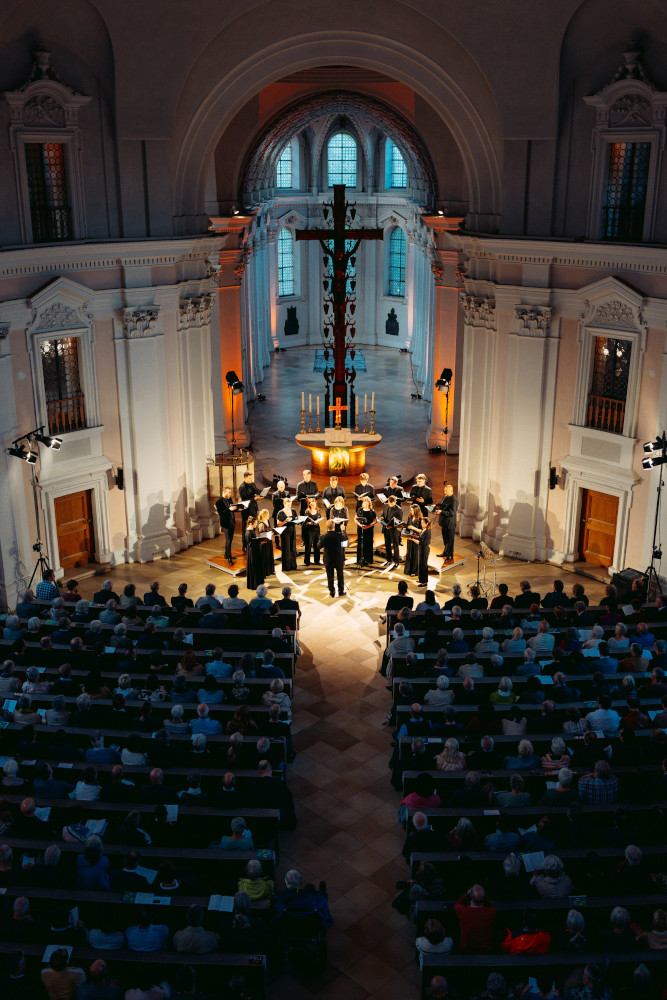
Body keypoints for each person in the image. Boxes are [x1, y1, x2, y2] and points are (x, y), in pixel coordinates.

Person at [454, 884, 496, 953]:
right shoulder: (491, 912)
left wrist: (466, 894)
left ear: (470, 896)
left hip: (466, 949)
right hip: (486, 949)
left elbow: (457, 904)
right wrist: (482, 895)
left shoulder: (462, 911)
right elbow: (491, 906)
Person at [318, 519, 345, 597]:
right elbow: (345, 539)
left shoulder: (323, 537)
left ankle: (332, 592)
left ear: (326, 527)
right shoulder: (339, 535)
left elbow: (319, 546)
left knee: (330, 576)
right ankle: (341, 591)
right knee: (340, 576)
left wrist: (319, 541)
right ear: (334, 527)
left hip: (328, 559)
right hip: (338, 559)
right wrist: (343, 530)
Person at [215, 486, 239, 566]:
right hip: (225, 523)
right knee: (228, 540)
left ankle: (226, 554)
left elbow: (232, 508)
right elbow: (221, 513)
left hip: (231, 522)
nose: (230, 494)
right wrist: (229, 509)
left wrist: (238, 509)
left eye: (230, 492)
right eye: (229, 492)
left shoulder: (229, 499)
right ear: (224, 492)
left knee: (230, 539)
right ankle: (229, 557)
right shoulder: (219, 502)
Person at [436, 482, 458, 561]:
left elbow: (452, 513)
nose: (444, 492)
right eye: (444, 491)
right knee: (445, 539)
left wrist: (441, 512)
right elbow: (443, 506)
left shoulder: (454, 500)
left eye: (446, 491)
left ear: (451, 491)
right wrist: (436, 507)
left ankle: (450, 556)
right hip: (444, 522)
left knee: (450, 541)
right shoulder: (445, 498)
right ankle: (445, 552)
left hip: (450, 524)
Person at [239, 470, 260, 548]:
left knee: (253, 525)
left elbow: (255, 493)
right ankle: (245, 545)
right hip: (246, 510)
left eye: (251, 478)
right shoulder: (242, 487)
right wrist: (254, 498)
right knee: (246, 527)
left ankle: (252, 542)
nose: (251, 480)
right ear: (245, 477)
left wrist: (258, 496)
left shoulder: (252, 484)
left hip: (253, 508)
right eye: (249, 478)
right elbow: (245, 499)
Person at [381, 493, 403, 568]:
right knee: (387, 545)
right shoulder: (385, 505)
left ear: (395, 502)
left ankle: (396, 561)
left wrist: (391, 526)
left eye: (392, 503)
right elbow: (383, 514)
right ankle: (388, 560)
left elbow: (399, 521)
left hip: (394, 530)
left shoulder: (399, 509)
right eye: (389, 503)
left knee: (395, 546)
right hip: (386, 528)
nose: (390, 505)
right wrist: (381, 517)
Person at [355, 494, 377, 566]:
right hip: (361, 529)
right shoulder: (360, 510)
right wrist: (360, 525)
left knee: (368, 544)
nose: (365, 504)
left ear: (369, 504)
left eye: (367, 503)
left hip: (369, 530)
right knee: (361, 544)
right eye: (364, 503)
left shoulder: (372, 511)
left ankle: (368, 559)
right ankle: (360, 559)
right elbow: (355, 519)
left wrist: (369, 526)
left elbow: (375, 521)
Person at [276, 497, 298, 571]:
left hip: (292, 531)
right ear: (284, 504)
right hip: (285, 532)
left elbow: (296, 518)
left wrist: (298, 520)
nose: (289, 506)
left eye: (290, 505)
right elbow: (278, 524)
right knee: (286, 549)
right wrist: (285, 521)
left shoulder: (293, 510)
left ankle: (293, 565)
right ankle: (286, 567)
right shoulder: (281, 512)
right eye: (288, 505)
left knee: (292, 548)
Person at [244, 516, 265, 590]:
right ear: (251, 523)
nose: (256, 524)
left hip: (255, 549)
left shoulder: (252, 530)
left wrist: (259, 540)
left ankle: (258, 582)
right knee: (253, 566)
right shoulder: (248, 532)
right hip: (252, 551)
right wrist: (259, 541)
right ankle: (254, 584)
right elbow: (250, 543)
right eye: (255, 523)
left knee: (256, 566)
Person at [302, 497, 322, 566]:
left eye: (314, 504)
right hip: (309, 530)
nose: (313, 505)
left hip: (316, 529)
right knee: (308, 545)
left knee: (317, 545)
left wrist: (317, 521)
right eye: (312, 504)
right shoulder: (307, 511)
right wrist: (310, 523)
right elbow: (305, 522)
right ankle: (307, 561)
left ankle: (317, 560)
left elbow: (319, 518)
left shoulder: (318, 510)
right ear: (309, 504)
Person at [403, 503, 422, 576]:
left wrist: (413, 528)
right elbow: (408, 526)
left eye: (412, 511)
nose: (411, 512)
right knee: (409, 554)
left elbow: (421, 531)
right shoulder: (410, 517)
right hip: (410, 538)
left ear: (416, 511)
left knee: (415, 554)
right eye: (411, 510)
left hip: (416, 539)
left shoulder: (420, 519)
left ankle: (415, 571)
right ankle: (408, 570)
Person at [417, 516, 431, 587]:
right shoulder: (423, 530)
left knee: (424, 565)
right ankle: (420, 578)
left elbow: (423, 542)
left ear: (427, 523)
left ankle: (424, 581)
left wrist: (414, 540)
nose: (421, 524)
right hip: (421, 548)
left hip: (424, 549)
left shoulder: (428, 532)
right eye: (421, 522)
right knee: (420, 564)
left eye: (423, 523)